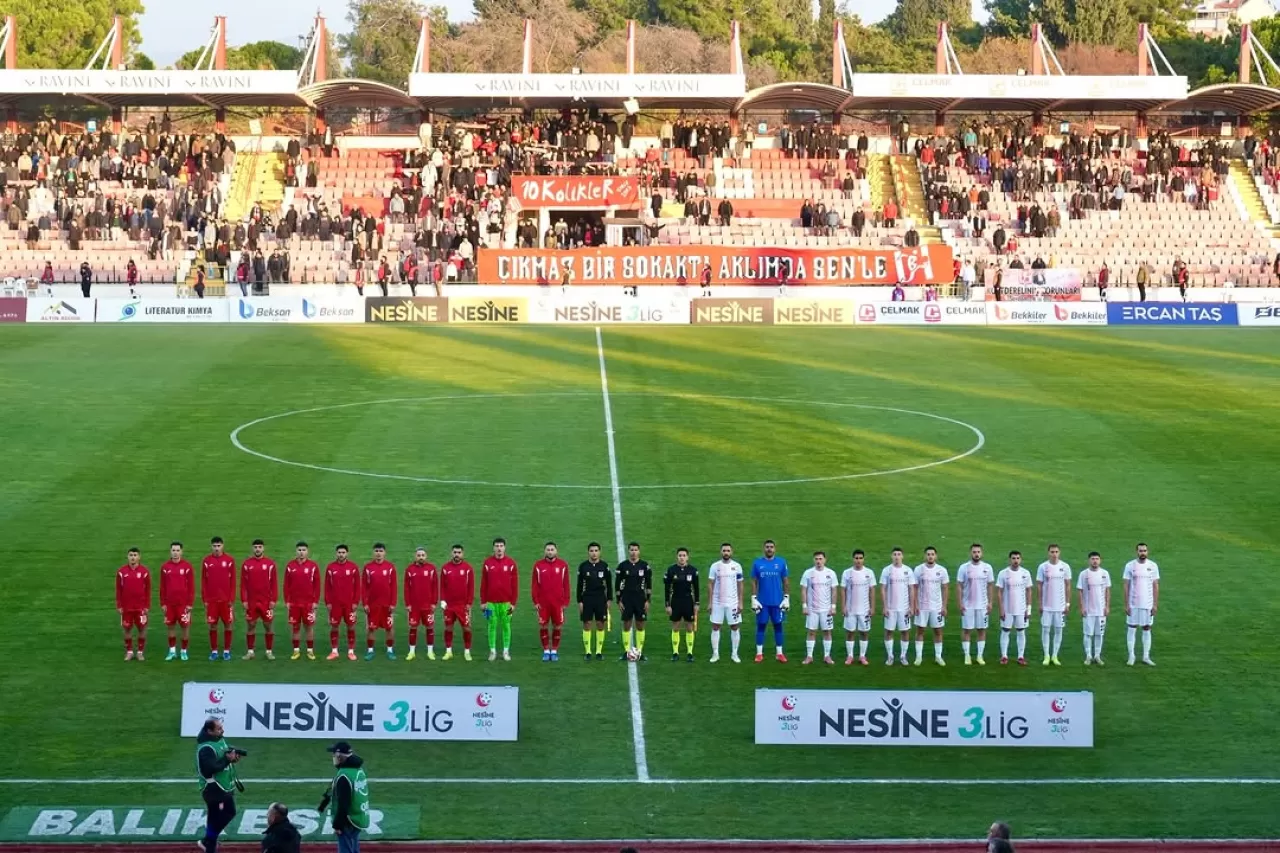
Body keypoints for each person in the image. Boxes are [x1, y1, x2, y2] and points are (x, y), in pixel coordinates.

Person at [196, 717, 243, 853]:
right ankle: (208, 840)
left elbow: (222, 757)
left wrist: (232, 759)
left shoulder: (218, 740)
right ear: (210, 731)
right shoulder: (206, 748)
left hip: (221, 785)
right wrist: (227, 760)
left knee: (214, 816)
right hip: (213, 788)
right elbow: (208, 769)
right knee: (229, 812)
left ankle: (209, 845)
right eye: (219, 729)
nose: (222, 730)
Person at [320, 742, 368, 853]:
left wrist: (338, 824)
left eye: (333, 754)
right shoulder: (358, 770)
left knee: (346, 849)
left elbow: (343, 803)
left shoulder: (344, 776)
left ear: (339, 756)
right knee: (354, 848)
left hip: (348, 820)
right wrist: (323, 804)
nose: (332, 757)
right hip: (358, 816)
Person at [749, 539, 790, 663]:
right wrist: (754, 598)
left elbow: (786, 581)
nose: (769, 549)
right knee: (761, 626)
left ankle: (779, 653)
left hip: (777, 602)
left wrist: (786, 598)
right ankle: (759, 653)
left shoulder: (781, 562)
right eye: (767, 547)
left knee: (778, 626)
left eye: (771, 547)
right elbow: (754, 582)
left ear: (775, 549)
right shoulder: (757, 563)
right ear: (764, 548)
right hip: (763, 602)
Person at [956, 543, 995, 666]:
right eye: (974, 552)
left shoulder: (987, 568)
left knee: (981, 630)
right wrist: (960, 603)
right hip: (968, 605)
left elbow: (990, 585)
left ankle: (979, 656)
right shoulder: (964, 568)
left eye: (978, 552)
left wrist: (990, 602)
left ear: (981, 553)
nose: (976, 554)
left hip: (982, 605)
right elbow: (959, 586)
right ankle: (967, 655)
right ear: (970, 553)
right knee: (967, 630)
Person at [480, 537, 518, 661]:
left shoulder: (511, 563)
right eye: (497, 546)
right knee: (492, 625)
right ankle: (492, 651)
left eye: (501, 546)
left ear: (505, 547)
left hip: (506, 603)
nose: (499, 548)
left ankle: (506, 651)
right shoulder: (487, 563)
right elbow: (484, 584)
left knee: (506, 626)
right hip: (490, 603)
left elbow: (515, 585)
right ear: (493, 548)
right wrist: (483, 601)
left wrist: (513, 603)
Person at [910, 547, 949, 666]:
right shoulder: (918, 569)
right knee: (920, 630)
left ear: (936, 556)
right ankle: (919, 657)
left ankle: (938, 656)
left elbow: (945, 588)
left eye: (932, 554)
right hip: (922, 606)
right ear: (925, 556)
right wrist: (915, 604)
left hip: (936, 607)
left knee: (938, 631)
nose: (930, 556)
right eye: (928, 554)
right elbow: (914, 588)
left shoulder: (941, 570)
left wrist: (944, 606)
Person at [705, 543, 744, 663]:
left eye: (728, 550)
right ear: (721, 552)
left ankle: (734, 653)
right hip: (717, 602)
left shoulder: (737, 566)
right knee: (716, 627)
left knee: (735, 627)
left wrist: (740, 602)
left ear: (731, 552)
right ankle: (715, 653)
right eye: (724, 550)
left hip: (733, 602)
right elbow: (710, 584)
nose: (726, 552)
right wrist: (710, 603)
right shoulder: (715, 566)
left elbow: (740, 584)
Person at [532, 541, 571, 661]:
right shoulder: (538, 565)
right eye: (548, 549)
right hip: (543, 603)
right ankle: (545, 650)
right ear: (545, 551)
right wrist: (536, 601)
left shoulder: (563, 565)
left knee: (557, 626)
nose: (550, 552)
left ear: (556, 551)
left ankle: (554, 650)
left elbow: (566, 585)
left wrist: (566, 601)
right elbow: (534, 585)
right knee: (543, 625)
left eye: (552, 549)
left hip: (558, 603)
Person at [241, 539, 279, 661]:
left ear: (263, 548)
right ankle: (250, 651)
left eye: (260, 547)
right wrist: (244, 600)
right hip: (251, 601)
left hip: (266, 601)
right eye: (255, 547)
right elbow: (243, 584)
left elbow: (274, 583)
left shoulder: (270, 564)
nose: (257, 549)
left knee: (268, 625)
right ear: (252, 549)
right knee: (251, 625)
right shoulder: (247, 564)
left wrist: (274, 599)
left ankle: (269, 651)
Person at [615, 541, 653, 661]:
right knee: (626, 624)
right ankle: (627, 652)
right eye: (631, 550)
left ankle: (639, 652)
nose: (633, 552)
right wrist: (618, 601)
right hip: (626, 599)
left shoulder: (645, 566)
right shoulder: (622, 566)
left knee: (640, 625)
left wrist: (648, 601)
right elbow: (617, 585)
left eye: (636, 550)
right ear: (628, 551)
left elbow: (649, 585)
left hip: (640, 599)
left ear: (639, 551)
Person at [1123, 542, 1160, 666]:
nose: (1142, 553)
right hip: (1133, 604)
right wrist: (1126, 604)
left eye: (1144, 550)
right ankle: (1131, 656)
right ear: (1136, 552)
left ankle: (1146, 656)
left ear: (1147, 552)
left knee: (1147, 628)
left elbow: (1155, 585)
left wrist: (1155, 604)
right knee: (1132, 627)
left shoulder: (1153, 566)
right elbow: (1126, 585)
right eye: (1140, 551)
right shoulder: (1130, 565)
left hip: (1148, 604)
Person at [1036, 544, 1072, 667]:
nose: (1054, 554)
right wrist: (1040, 603)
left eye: (1056, 551)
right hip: (1047, 605)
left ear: (1059, 552)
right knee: (1045, 629)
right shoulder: (1043, 567)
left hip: (1060, 606)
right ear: (1048, 553)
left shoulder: (1065, 566)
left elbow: (1068, 585)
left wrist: (1067, 603)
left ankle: (1055, 655)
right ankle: (1046, 655)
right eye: (1052, 552)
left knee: (1058, 630)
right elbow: (1039, 586)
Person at [800, 551, 838, 665]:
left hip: (826, 609)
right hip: (812, 609)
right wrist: (804, 606)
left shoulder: (831, 573)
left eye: (820, 559)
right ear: (813, 560)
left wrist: (833, 607)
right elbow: (803, 590)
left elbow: (834, 590)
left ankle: (827, 656)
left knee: (827, 631)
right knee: (811, 631)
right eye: (816, 559)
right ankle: (809, 656)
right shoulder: (808, 573)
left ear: (825, 560)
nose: (818, 561)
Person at [324, 544, 361, 661]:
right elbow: (327, 587)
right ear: (336, 553)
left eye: (343, 552)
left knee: (351, 626)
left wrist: (355, 602)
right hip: (335, 604)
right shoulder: (330, 567)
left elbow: (357, 587)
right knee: (334, 627)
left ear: (347, 553)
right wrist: (328, 602)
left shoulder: (353, 567)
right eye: (339, 552)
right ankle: (334, 651)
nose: (341, 554)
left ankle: (351, 651)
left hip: (349, 604)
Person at [285, 541, 321, 660]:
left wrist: (315, 601)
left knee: (309, 627)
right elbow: (286, 584)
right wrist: (287, 601)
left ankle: (310, 650)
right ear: (296, 551)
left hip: (308, 604)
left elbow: (317, 585)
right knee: (295, 627)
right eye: (299, 550)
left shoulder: (313, 566)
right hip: (294, 603)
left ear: (307, 551)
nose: (301, 552)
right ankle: (296, 650)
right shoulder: (290, 566)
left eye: (304, 550)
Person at [577, 542, 613, 661]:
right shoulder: (583, 566)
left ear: (600, 552)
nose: (594, 553)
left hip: (600, 599)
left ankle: (598, 651)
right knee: (587, 624)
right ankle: (588, 652)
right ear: (588, 552)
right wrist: (580, 601)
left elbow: (609, 584)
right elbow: (579, 585)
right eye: (592, 551)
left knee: (600, 624)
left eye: (596, 550)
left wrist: (609, 599)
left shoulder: (604, 566)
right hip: (587, 598)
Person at [202, 537, 237, 661]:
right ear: (211, 546)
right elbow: (204, 582)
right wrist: (205, 599)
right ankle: (214, 651)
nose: (216, 548)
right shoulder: (206, 561)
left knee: (228, 625)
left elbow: (233, 581)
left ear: (223, 546)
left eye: (218, 546)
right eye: (214, 546)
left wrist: (231, 599)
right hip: (212, 601)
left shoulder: (229, 561)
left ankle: (226, 651)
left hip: (226, 601)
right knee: (212, 626)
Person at [879, 548, 915, 666]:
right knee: (889, 631)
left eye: (899, 554)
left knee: (905, 631)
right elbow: (883, 589)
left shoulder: (908, 571)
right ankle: (890, 655)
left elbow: (911, 589)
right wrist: (884, 607)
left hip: (904, 608)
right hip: (890, 608)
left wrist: (911, 606)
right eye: (894, 554)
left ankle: (903, 656)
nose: (896, 556)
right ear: (891, 556)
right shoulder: (886, 570)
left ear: (902, 557)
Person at [362, 543, 398, 660]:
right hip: (373, 605)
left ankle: (390, 650)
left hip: (387, 604)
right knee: (371, 628)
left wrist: (393, 603)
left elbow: (393, 586)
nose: (378, 553)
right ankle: (370, 650)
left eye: (381, 551)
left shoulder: (390, 567)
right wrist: (365, 603)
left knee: (389, 627)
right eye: (376, 551)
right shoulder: (368, 568)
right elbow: (364, 587)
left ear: (385, 552)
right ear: (373, 552)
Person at [160, 541, 195, 661]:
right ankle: (172, 651)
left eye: (177, 550)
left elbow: (191, 587)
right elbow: (162, 587)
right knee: (170, 627)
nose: (175, 553)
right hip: (170, 604)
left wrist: (190, 603)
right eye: (173, 550)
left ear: (181, 551)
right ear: (170, 551)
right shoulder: (165, 567)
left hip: (183, 604)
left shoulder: (187, 566)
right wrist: (163, 603)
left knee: (185, 627)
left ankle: (184, 651)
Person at [840, 549, 876, 665]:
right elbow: (843, 591)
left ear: (863, 559)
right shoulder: (847, 573)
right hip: (850, 609)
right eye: (856, 558)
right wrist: (843, 606)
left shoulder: (869, 573)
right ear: (853, 559)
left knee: (864, 632)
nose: (858, 560)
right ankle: (850, 656)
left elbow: (872, 591)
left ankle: (862, 656)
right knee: (850, 632)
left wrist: (872, 607)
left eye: (860, 558)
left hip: (864, 609)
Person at [440, 544, 475, 660]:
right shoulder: (445, 568)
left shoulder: (468, 568)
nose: (457, 555)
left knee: (467, 628)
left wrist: (469, 603)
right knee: (448, 628)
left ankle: (467, 651)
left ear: (462, 554)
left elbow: (471, 587)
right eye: (455, 552)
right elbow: (442, 586)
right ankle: (448, 651)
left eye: (459, 552)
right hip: (449, 605)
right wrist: (443, 600)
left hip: (463, 605)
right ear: (452, 553)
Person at [997, 551, 1033, 665]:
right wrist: (1001, 609)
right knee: (1005, 631)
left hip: (1021, 609)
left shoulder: (1025, 573)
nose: (1016, 560)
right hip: (1007, 609)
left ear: (1021, 559)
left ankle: (1021, 656)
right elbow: (999, 592)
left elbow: (1029, 591)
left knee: (1021, 631)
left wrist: (1029, 609)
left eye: (1018, 558)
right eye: (1013, 558)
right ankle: (1004, 656)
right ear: (1009, 559)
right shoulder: (1003, 573)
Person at [664, 548, 700, 661]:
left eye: (684, 555)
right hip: (675, 601)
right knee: (675, 627)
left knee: (689, 627)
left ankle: (689, 653)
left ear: (687, 557)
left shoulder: (693, 570)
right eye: (680, 555)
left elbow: (696, 588)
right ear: (677, 557)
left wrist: (697, 603)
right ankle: (675, 652)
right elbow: (667, 588)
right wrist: (667, 604)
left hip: (688, 601)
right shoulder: (671, 570)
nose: (682, 557)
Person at [116, 547, 151, 661]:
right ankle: (130, 652)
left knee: (142, 629)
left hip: (140, 607)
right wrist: (119, 605)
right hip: (127, 607)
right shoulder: (121, 572)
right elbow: (118, 590)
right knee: (127, 629)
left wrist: (146, 606)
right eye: (131, 555)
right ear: (127, 557)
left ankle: (140, 652)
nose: (133, 557)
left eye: (135, 555)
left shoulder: (144, 572)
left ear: (139, 557)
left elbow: (148, 590)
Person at [1077, 551, 1112, 665]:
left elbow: (1107, 591)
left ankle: (1097, 655)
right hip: (1088, 610)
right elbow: (1080, 591)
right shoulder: (1084, 574)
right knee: (1088, 634)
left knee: (1099, 634)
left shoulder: (1105, 574)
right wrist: (1082, 607)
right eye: (1093, 559)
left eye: (1097, 559)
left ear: (1100, 560)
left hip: (1101, 610)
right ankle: (1088, 655)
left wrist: (1107, 606)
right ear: (1089, 560)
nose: (1095, 561)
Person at [404, 547, 439, 661]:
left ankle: (430, 651)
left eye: (423, 555)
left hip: (428, 605)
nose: (421, 557)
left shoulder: (431, 569)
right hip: (414, 606)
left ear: (426, 556)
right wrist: (408, 603)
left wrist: (434, 603)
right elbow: (406, 588)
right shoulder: (410, 569)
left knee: (429, 627)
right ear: (415, 556)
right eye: (419, 555)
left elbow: (435, 587)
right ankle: (411, 652)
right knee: (413, 627)